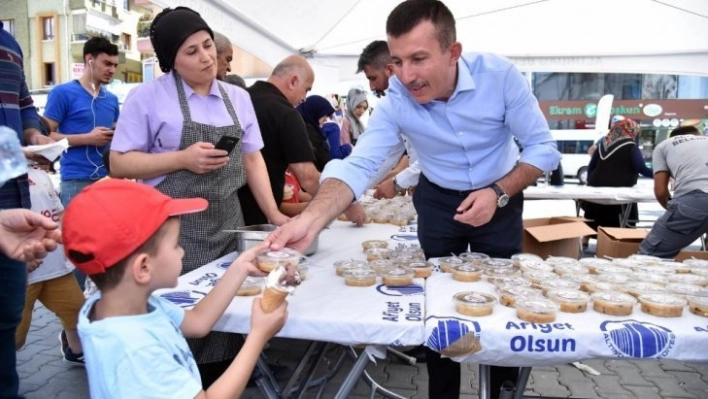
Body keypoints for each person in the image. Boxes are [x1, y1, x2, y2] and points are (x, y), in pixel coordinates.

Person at [269, 2, 560, 398]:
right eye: (398, 61)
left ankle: (503, 387)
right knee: (437, 301)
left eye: (419, 59)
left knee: (500, 300)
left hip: (501, 193)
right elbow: (361, 165)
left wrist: (498, 192)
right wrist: (312, 219)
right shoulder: (397, 101)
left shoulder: (500, 76)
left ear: (453, 52)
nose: (406, 76)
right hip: (438, 199)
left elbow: (542, 148)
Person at [108, 6, 286, 383]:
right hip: (173, 232)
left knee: (231, 318)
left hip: (227, 223)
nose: (205, 57)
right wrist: (181, 159)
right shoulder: (148, 97)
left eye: (207, 46)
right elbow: (119, 163)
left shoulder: (237, 98)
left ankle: (228, 381)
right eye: (191, 52)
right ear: (171, 61)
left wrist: (274, 214)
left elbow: (253, 159)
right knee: (183, 321)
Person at [61, 179, 287, 398]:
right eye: (176, 245)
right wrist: (258, 335)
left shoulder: (123, 305)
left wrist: (240, 268)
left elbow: (198, 322)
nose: (181, 252)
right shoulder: (135, 347)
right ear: (143, 267)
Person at [238, 55, 365, 226]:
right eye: (306, 89)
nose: (305, 98)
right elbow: (308, 177)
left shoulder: (240, 98)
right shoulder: (286, 113)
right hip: (259, 218)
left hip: (228, 211)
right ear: (293, 81)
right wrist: (347, 203)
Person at [1, 19, 57, 398]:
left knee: (7, 318)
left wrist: (36, 136)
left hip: (11, 204)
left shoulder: (9, 43)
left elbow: (23, 108)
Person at [15, 166, 85, 366]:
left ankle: (76, 350)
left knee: (75, 310)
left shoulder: (39, 173)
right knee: (14, 334)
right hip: (22, 275)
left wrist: (71, 240)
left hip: (54, 267)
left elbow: (58, 212)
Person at [44, 36, 120, 204]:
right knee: (75, 231)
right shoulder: (62, 93)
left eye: (115, 65)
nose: (112, 70)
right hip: (76, 181)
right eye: (107, 63)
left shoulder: (112, 99)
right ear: (89, 60)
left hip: (108, 179)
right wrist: (88, 138)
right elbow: (45, 136)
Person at [355, 40, 421, 198]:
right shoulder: (392, 106)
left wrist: (398, 182)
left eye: (373, 78)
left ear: (390, 70)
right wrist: (353, 188)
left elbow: (436, 156)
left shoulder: (426, 95)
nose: (371, 87)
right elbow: (386, 155)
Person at [639, 126, 708, 257]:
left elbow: (660, 191)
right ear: (697, 134)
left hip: (696, 200)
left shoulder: (664, 146)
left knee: (650, 256)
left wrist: (673, 210)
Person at [583, 119, 653, 233]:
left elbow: (591, 167)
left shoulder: (602, 145)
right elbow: (641, 168)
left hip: (597, 188)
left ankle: (586, 237)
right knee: (619, 218)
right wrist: (661, 175)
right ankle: (618, 239)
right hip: (620, 189)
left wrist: (590, 183)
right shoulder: (631, 146)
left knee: (594, 215)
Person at [296, 95, 352, 170]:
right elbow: (326, 160)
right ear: (315, 111)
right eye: (324, 114)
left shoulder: (305, 128)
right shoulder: (309, 133)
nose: (326, 119)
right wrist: (349, 147)